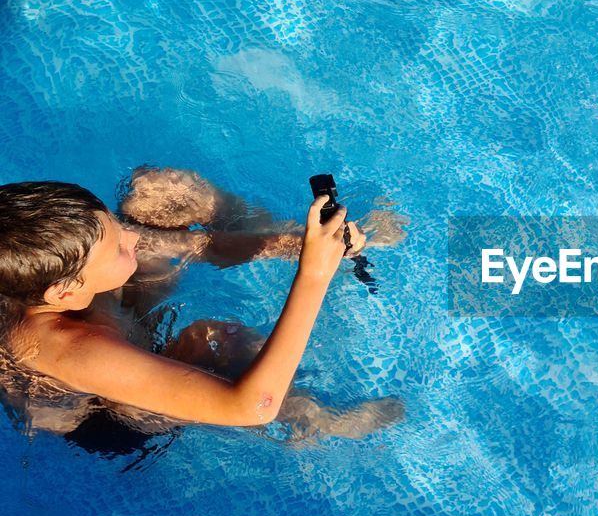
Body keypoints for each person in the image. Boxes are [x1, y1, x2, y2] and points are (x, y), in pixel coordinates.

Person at [0, 168, 405, 443]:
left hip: (106, 317)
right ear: (65, 291)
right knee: (216, 340)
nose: (132, 237)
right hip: (111, 413)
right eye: (117, 245)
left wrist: (304, 246)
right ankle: (317, 422)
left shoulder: (31, 269)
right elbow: (251, 406)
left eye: (113, 224)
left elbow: (185, 245)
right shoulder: (77, 353)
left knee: (160, 193)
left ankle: (278, 226)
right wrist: (314, 275)